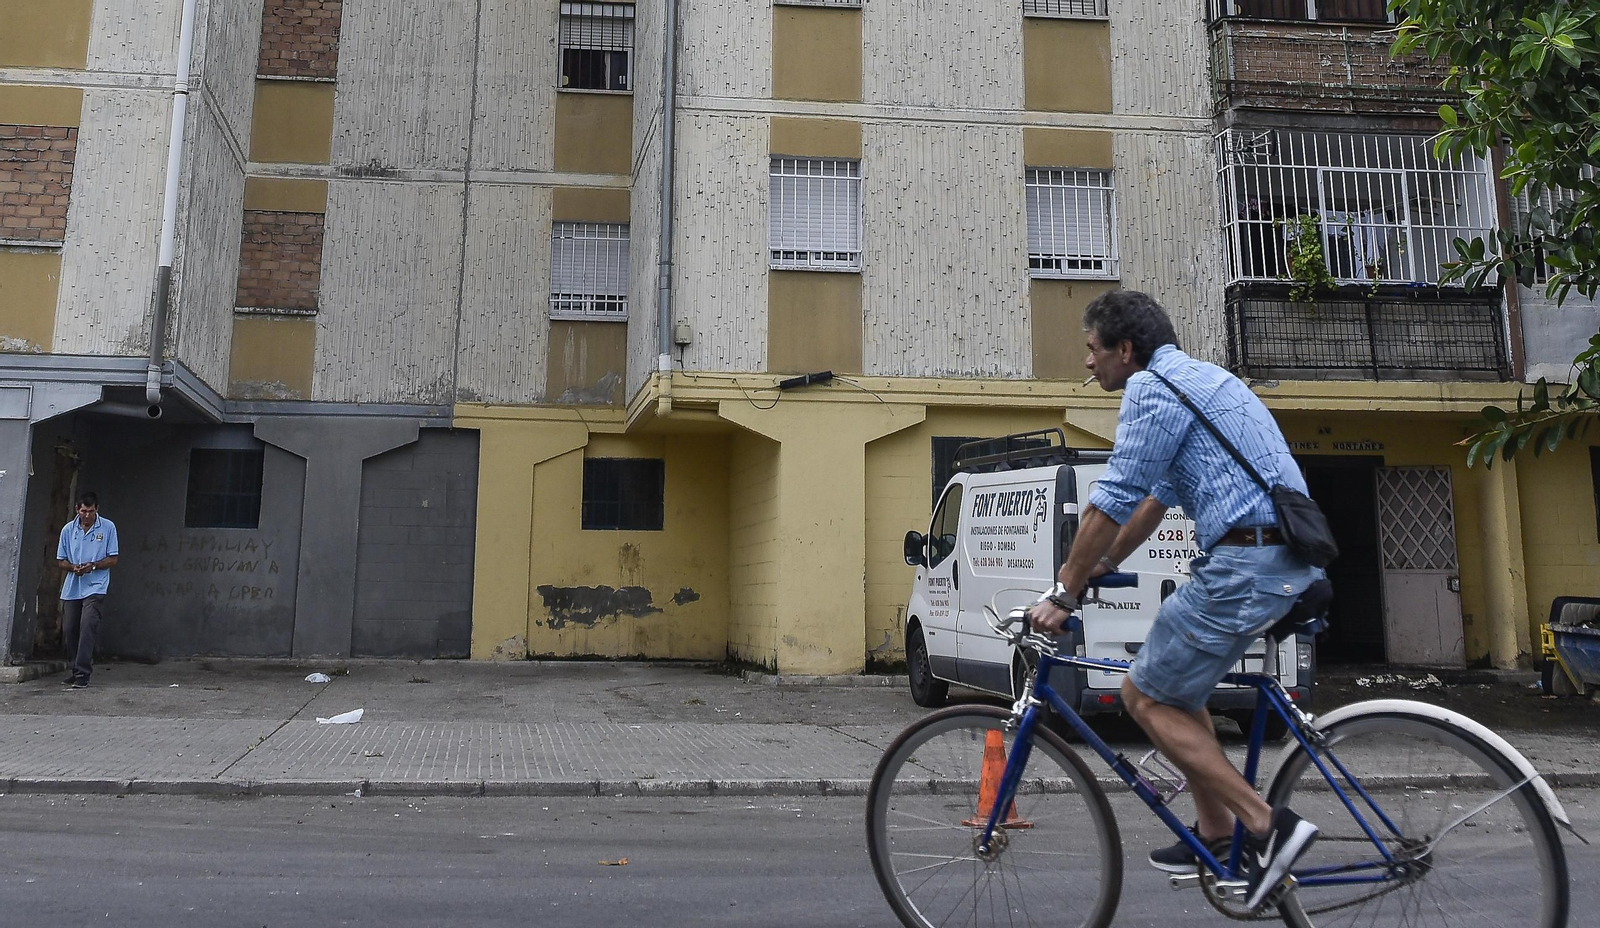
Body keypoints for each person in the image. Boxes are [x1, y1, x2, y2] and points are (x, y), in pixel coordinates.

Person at [1026, 289, 1323, 910]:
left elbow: (1110, 501)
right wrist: (1103, 566)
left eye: (1092, 349)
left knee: (1141, 695)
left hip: (1246, 564)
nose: (1087, 362)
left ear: (1124, 349)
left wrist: (1064, 592)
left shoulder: (1151, 389)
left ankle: (1267, 826)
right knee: (1176, 696)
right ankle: (1216, 832)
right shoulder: (1205, 381)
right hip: (1278, 557)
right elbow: (1152, 502)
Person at [56, 492, 118, 689]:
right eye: (83, 511)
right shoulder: (68, 530)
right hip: (73, 586)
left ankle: (83, 673)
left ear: (96, 509)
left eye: (91, 511)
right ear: (77, 510)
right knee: (70, 628)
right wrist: (73, 567)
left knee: (87, 625)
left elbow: (113, 559)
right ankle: (74, 669)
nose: (87, 515)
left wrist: (94, 566)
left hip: (96, 585)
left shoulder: (108, 527)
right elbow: (61, 560)